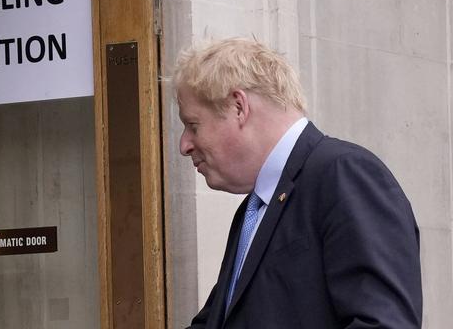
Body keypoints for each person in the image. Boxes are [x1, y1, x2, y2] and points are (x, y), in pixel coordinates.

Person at [174, 38, 422, 328]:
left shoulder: (345, 174)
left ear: (238, 107)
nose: (184, 145)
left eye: (193, 125)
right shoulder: (253, 210)